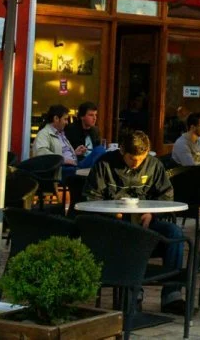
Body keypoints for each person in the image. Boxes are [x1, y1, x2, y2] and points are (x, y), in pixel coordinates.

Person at [84, 130, 185, 313]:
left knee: (175, 234)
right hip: (115, 226)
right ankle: (133, 293)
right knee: (132, 236)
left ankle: (172, 295)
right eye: (132, 159)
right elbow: (91, 196)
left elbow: (166, 194)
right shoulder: (105, 164)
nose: (136, 163)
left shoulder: (154, 165)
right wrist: (112, 214)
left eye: (141, 159)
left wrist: (152, 215)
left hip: (147, 222)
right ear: (122, 151)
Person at [31, 105, 81, 177]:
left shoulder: (61, 134)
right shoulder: (44, 134)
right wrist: (63, 160)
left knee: (95, 168)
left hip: (74, 166)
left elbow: (60, 151)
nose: (67, 122)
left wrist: (75, 153)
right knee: (98, 154)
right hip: (62, 170)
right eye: (65, 119)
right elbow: (41, 153)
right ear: (56, 118)